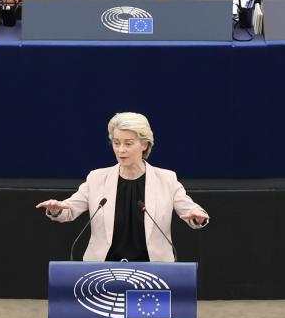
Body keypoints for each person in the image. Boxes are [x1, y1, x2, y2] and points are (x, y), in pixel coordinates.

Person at [35, 112, 209, 263]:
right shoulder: (97, 178)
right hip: (102, 269)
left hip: (154, 271)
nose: (121, 150)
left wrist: (197, 217)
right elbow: (69, 210)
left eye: (128, 143)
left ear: (145, 144)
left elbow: (191, 210)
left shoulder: (166, 179)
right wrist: (57, 209)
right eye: (116, 143)